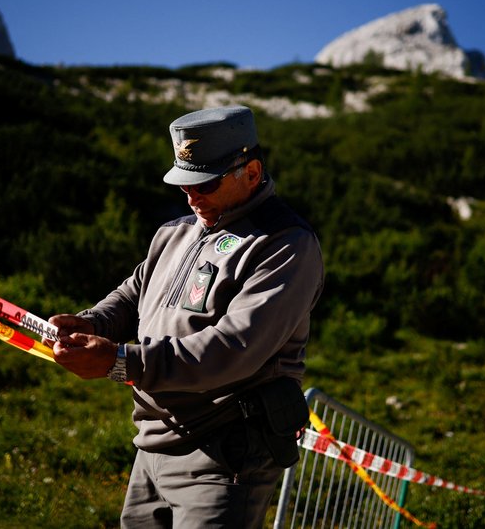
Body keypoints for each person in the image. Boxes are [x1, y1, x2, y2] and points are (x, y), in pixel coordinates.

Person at [46, 105, 324, 528]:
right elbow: (133, 293)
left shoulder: (287, 245)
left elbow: (233, 350)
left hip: (225, 454)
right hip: (151, 445)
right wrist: (92, 323)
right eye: (184, 185)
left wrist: (121, 362)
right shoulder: (175, 232)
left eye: (206, 184)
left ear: (251, 172)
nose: (193, 197)